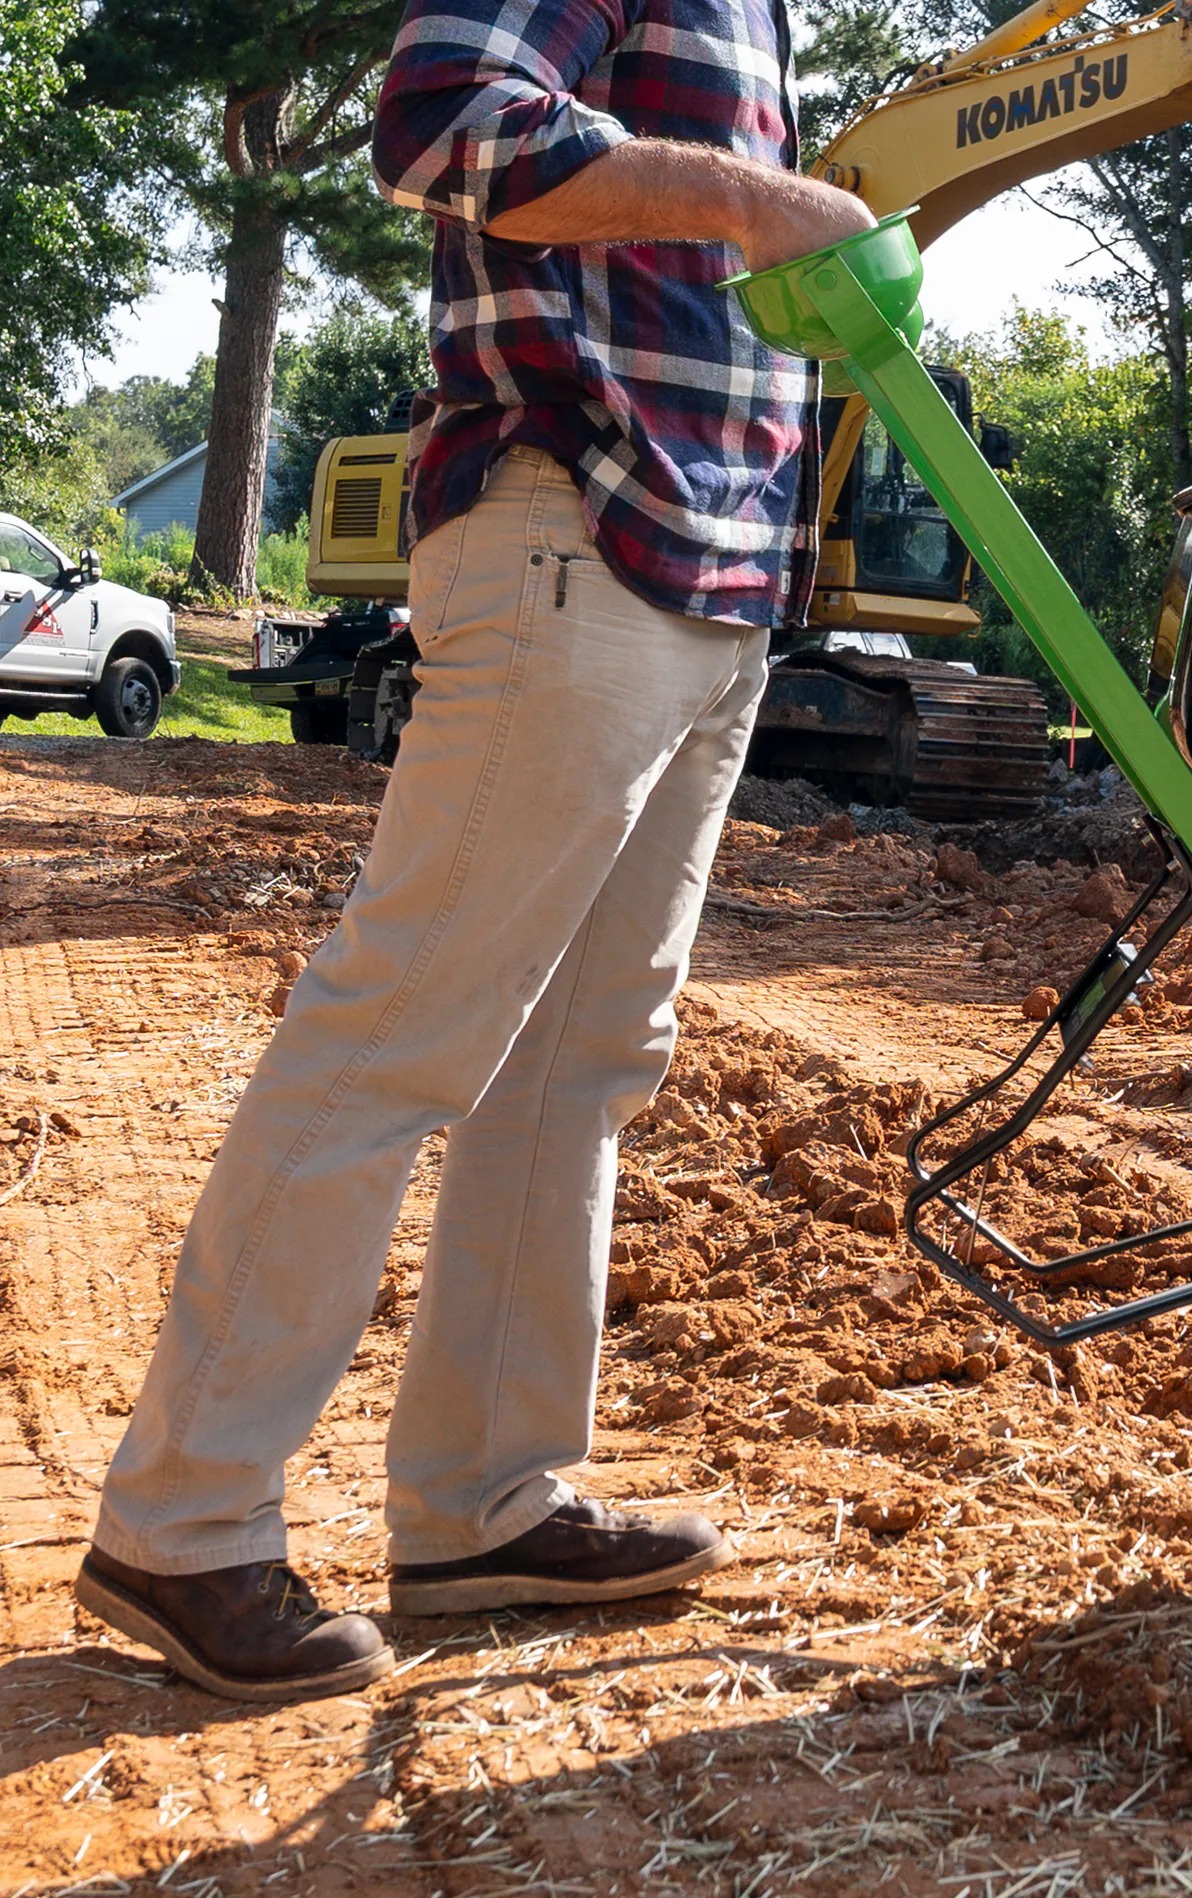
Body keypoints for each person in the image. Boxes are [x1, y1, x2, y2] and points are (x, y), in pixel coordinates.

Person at [75, 0, 873, 1702]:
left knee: (583, 1057)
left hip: (713, 575)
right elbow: (441, 116)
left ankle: (483, 1505)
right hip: (575, 525)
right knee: (402, 1028)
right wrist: (748, 197)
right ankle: (184, 1523)